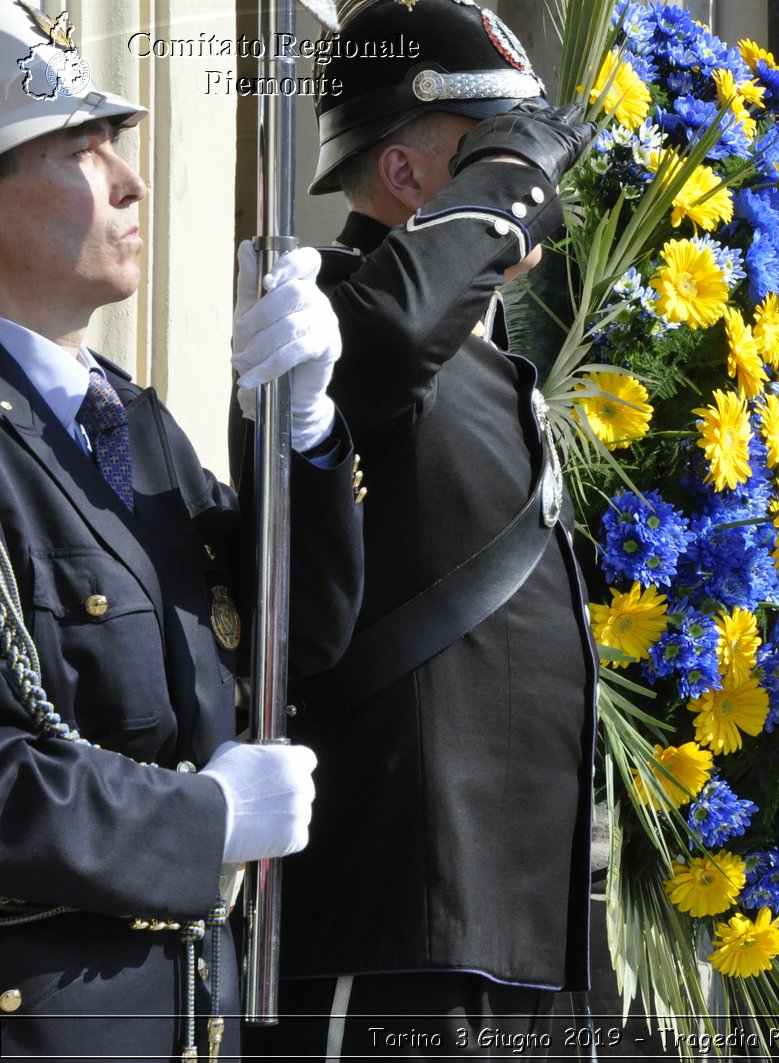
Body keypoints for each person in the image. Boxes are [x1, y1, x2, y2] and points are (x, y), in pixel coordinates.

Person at [0, 4, 362, 1057]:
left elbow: (305, 633)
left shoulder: (131, 422)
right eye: (80, 150)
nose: (131, 182)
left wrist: (302, 430)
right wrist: (196, 824)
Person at [240, 2, 599, 1057]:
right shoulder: (327, 316)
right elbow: (395, 337)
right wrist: (513, 176)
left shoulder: (486, 363)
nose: (537, 194)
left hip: (504, 905)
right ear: (407, 176)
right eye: (488, 152)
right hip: (401, 899)